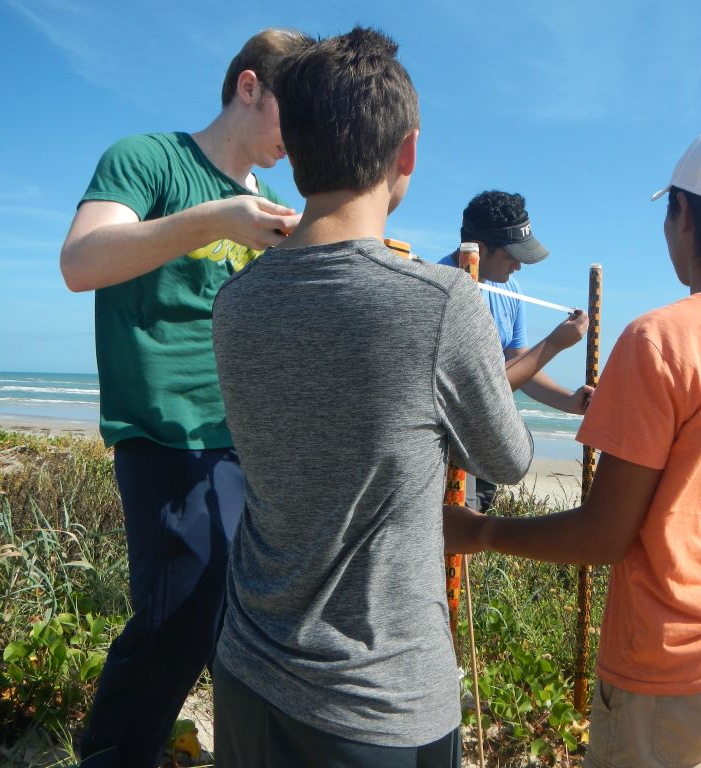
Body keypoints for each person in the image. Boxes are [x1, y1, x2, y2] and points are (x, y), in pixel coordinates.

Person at [445, 126, 701, 767]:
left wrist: (475, 531)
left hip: (673, 672)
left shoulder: (659, 339)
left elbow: (603, 538)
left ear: (681, 213)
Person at [210, 27, 535, 767]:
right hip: (377, 697)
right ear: (408, 152)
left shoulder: (236, 302)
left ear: (289, 144)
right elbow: (508, 460)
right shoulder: (440, 301)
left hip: (247, 662)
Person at [59, 29, 308, 768]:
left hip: (250, 438)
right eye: (289, 119)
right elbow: (80, 262)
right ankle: (111, 754)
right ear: (249, 87)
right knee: (183, 611)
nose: (294, 145)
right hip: (165, 429)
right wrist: (215, 219)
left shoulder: (279, 207)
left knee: (248, 611)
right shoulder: (148, 158)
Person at [438, 190, 590, 510]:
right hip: (447, 448)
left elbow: (520, 367)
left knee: (468, 541)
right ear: (479, 250)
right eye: (511, 255)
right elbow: (483, 390)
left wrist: (570, 402)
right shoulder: (442, 290)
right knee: (452, 543)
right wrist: (553, 344)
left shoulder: (509, 288)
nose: (519, 266)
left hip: (484, 441)